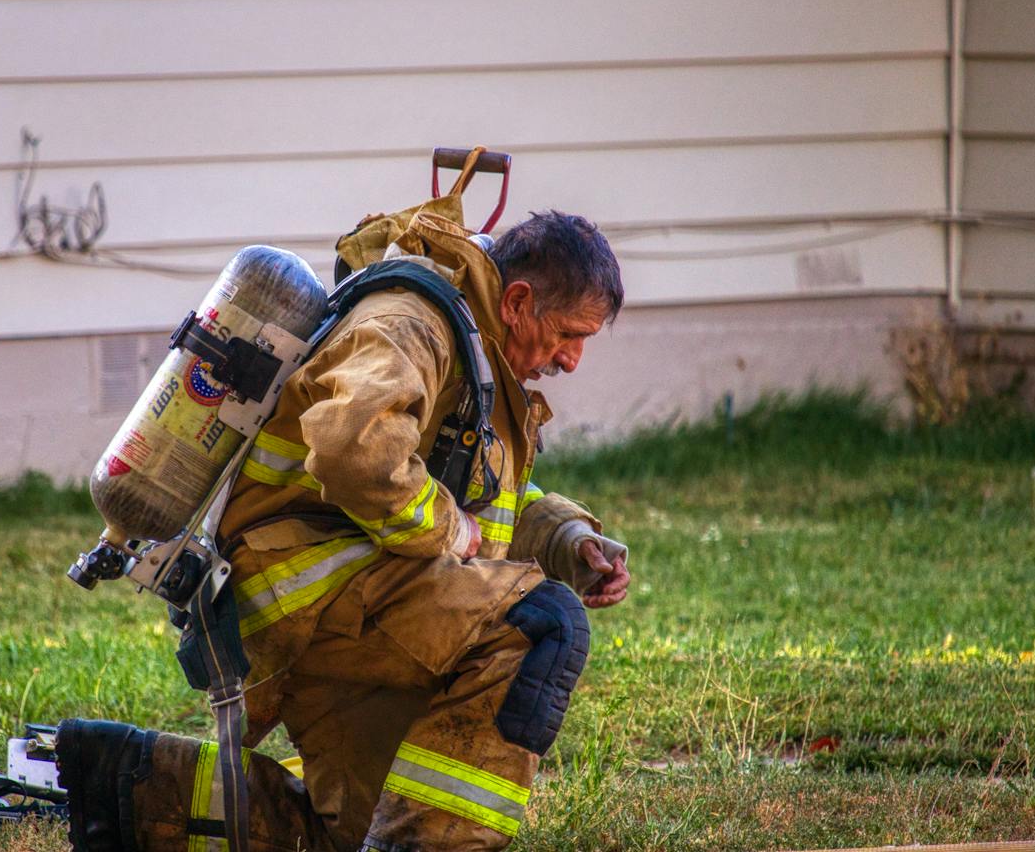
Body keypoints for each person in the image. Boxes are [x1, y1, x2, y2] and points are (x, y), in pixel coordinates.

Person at [59, 204, 631, 851]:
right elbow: (351, 446)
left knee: (353, 832)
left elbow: (479, 499)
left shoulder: (474, 352)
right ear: (520, 300)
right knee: (541, 624)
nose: (574, 360)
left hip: (343, 601)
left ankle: (124, 791)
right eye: (570, 333)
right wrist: (446, 531)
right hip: (317, 591)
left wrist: (566, 539)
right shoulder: (415, 324)